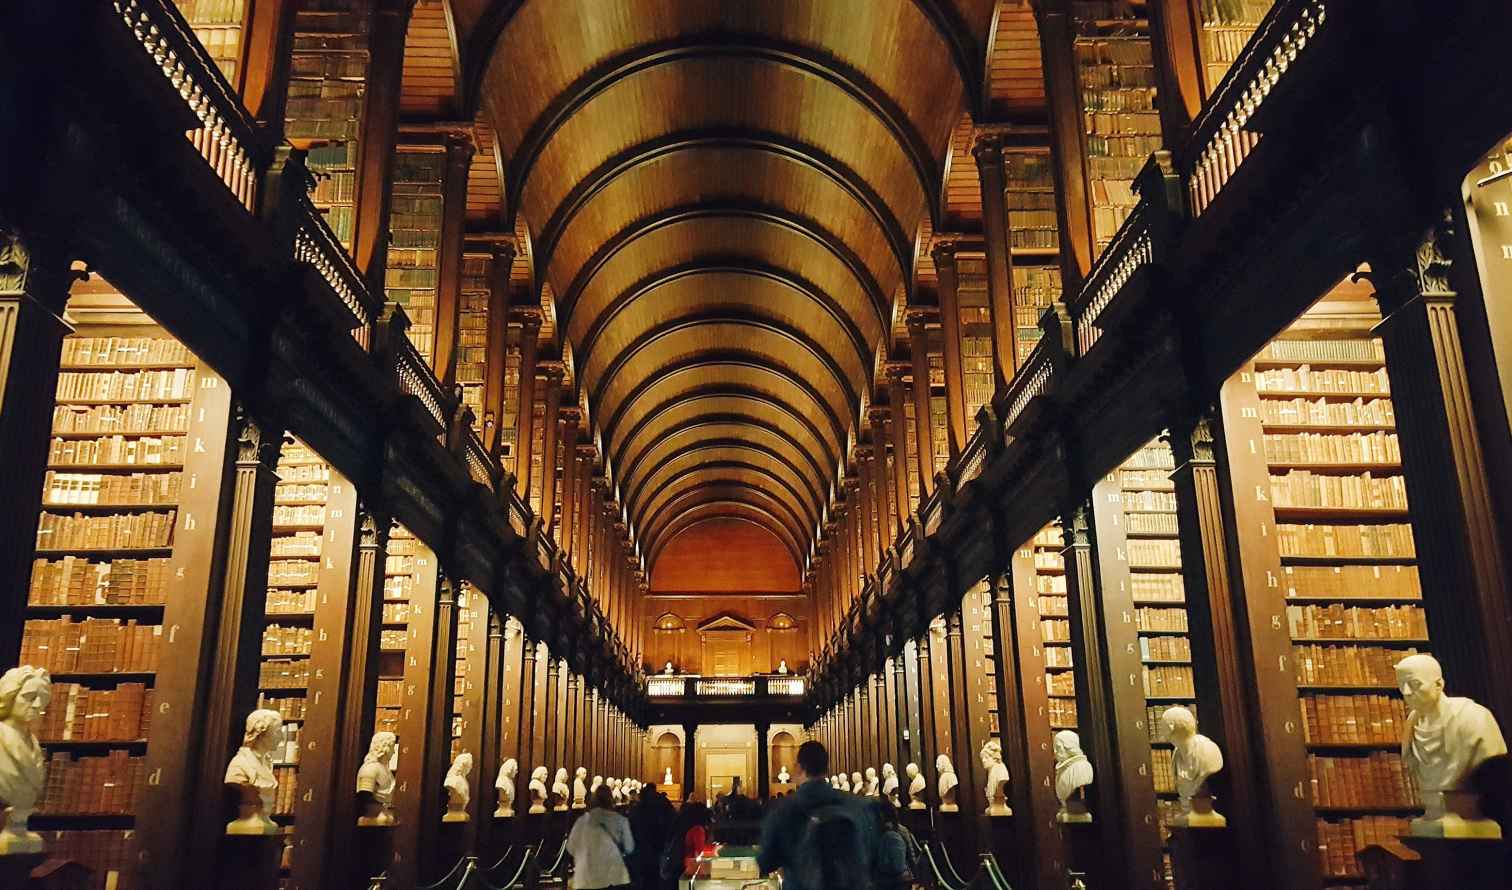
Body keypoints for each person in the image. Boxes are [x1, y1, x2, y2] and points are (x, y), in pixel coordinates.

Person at [757, 740, 881, 890]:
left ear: (799, 768)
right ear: (826, 767)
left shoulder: (784, 810)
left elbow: (766, 861)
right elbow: (873, 855)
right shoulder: (858, 806)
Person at [566, 785, 635, 890]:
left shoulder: (582, 821)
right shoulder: (620, 821)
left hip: (586, 877)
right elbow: (629, 848)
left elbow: (571, 848)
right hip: (613, 877)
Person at [627, 784, 676, 889]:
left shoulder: (638, 809)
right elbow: (671, 819)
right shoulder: (661, 804)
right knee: (655, 876)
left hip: (641, 846)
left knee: (643, 877)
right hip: (657, 845)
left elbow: (631, 826)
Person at [873, 797, 914, 890]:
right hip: (903, 877)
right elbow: (910, 854)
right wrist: (913, 872)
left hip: (885, 879)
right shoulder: (902, 830)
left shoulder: (877, 830)